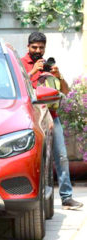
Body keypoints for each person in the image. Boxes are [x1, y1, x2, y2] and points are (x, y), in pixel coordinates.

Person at [21, 32, 83, 210]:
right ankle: (33, 197)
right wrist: (33, 71)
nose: (38, 51)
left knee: (62, 156)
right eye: (34, 47)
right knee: (35, 160)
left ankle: (67, 198)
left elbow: (66, 91)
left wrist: (59, 75)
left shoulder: (49, 65)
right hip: (32, 118)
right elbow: (19, 86)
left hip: (52, 117)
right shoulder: (21, 64)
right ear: (28, 47)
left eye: (41, 47)